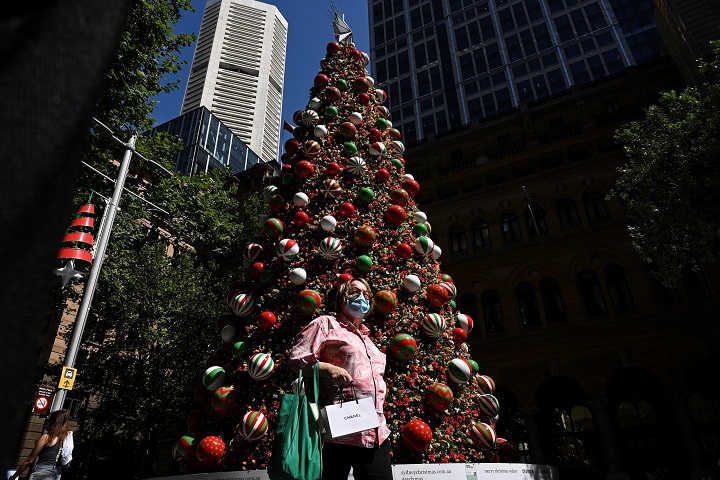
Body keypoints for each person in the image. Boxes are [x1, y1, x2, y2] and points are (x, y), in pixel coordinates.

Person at [289, 278, 392, 480]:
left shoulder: (368, 339)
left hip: (374, 431)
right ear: (342, 299)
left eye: (367, 295)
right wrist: (326, 368)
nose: (362, 298)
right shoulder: (325, 324)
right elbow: (296, 360)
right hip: (336, 431)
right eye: (355, 292)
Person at [11, 410, 71, 480]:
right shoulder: (64, 439)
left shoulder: (46, 438)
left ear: (54, 422)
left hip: (41, 473)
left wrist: (14, 476)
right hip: (54, 475)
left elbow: (29, 460)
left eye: (49, 420)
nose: (47, 422)